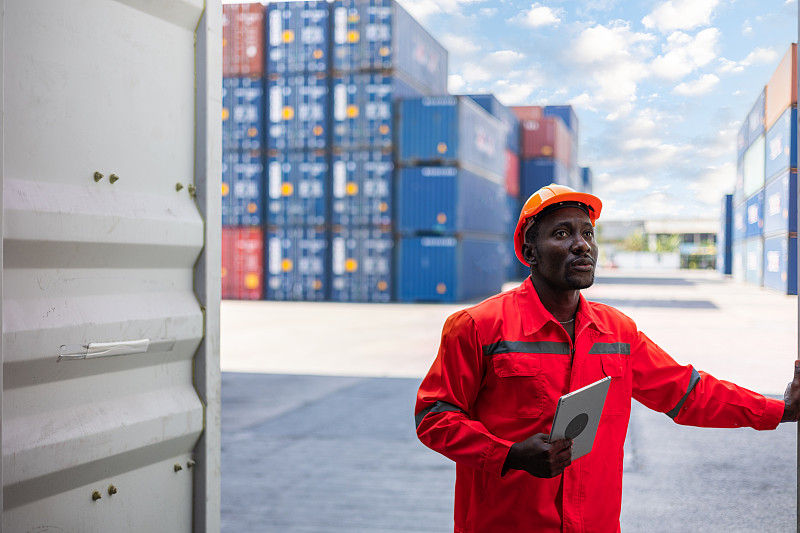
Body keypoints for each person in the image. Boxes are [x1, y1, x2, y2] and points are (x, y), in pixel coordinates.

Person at [414, 184, 800, 533]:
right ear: (530, 252)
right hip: (504, 524)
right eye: (562, 234)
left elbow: (689, 393)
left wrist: (780, 410)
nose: (582, 245)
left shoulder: (617, 332)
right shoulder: (478, 327)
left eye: (587, 233)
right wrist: (509, 455)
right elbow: (434, 416)